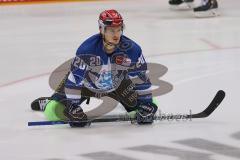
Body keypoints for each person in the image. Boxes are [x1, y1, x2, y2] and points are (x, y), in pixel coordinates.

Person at [31, 9, 158, 127]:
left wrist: (147, 103)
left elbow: (140, 78)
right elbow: (74, 81)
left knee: (148, 105)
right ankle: (49, 101)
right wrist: (72, 107)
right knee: (53, 112)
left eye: (119, 29)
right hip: (85, 86)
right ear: (101, 29)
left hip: (117, 84)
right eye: (111, 30)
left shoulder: (132, 49)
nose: (116, 34)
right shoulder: (86, 50)